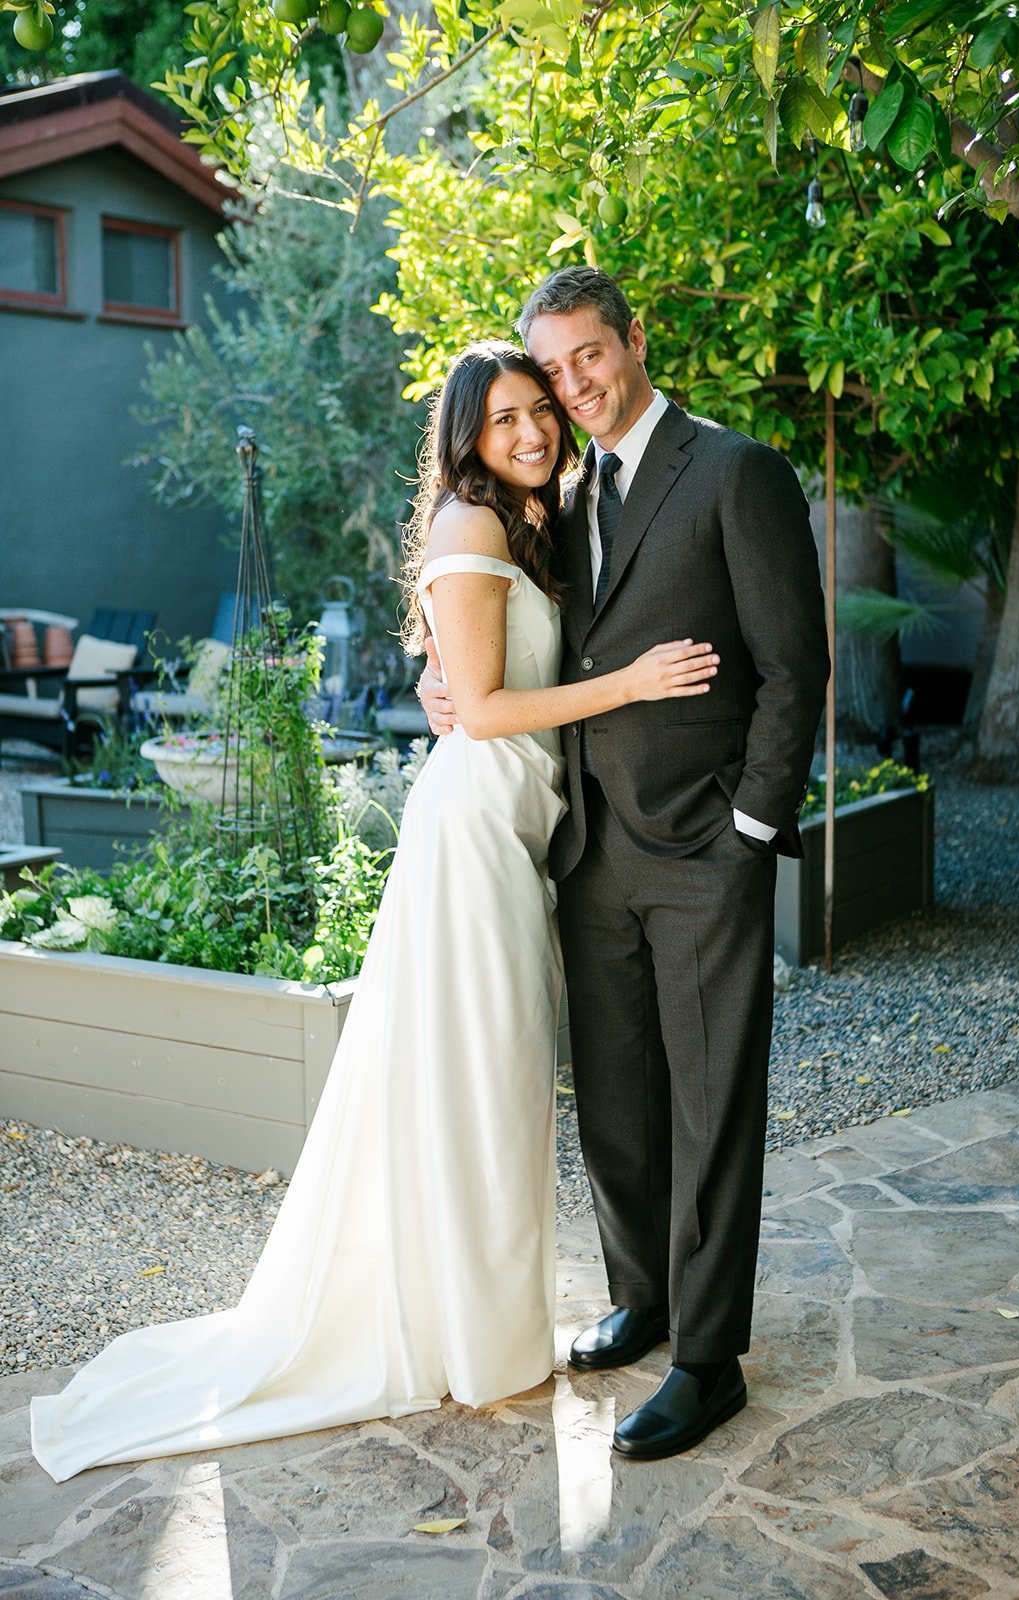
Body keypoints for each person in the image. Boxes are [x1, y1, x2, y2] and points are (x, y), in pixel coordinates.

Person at [30, 341, 718, 1484]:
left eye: (538, 410)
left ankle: (476, 1320)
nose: (530, 432)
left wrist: (443, 680)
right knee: (483, 1074)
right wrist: (632, 681)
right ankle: (475, 1339)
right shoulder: (469, 522)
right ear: (466, 438)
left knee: (491, 1076)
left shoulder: (531, 521)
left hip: (518, 829)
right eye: (501, 419)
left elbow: (468, 676)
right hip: (473, 836)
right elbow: (483, 708)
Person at [419, 271, 830, 1462]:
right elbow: (498, 632)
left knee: (709, 1106)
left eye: (588, 356)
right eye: (552, 371)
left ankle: (706, 1357)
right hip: (584, 843)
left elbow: (792, 665)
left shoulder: (735, 472)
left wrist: (750, 826)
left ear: (633, 341)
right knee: (614, 1097)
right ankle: (639, 1295)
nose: (573, 386)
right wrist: (437, 681)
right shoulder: (554, 495)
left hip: (704, 845)